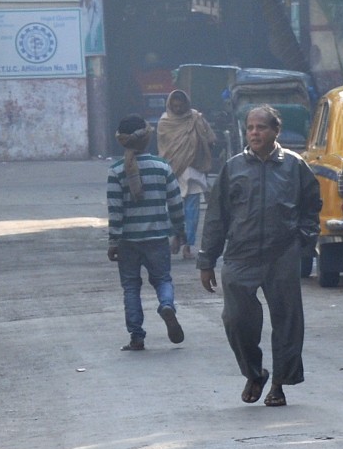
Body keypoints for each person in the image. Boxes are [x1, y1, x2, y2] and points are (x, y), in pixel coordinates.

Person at [197, 105, 321, 407]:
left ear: (275, 131)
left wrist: (304, 240)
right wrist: (207, 260)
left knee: (287, 321)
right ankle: (254, 372)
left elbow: (312, 205)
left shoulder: (294, 165)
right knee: (236, 320)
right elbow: (217, 216)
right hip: (241, 254)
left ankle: (279, 383)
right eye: (250, 127)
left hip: (282, 254)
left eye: (261, 127)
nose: (254, 133)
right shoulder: (233, 167)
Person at [106, 114, 184, 353]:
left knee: (131, 287)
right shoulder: (162, 167)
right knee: (163, 280)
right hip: (158, 238)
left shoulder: (116, 171)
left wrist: (113, 241)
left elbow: (115, 210)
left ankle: (137, 337)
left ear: (121, 141)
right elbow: (176, 203)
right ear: (147, 138)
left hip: (128, 241)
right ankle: (166, 305)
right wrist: (179, 232)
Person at [156, 89, 218, 258]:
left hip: (193, 172)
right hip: (174, 172)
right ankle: (177, 237)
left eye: (180, 105)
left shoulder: (196, 118)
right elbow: (164, 148)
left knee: (192, 213)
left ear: (186, 104)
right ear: (170, 105)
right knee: (174, 210)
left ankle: (188, 246)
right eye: (174, 105)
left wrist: (201, 151)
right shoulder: (164, 122)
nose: (177, 108)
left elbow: (211, 139)